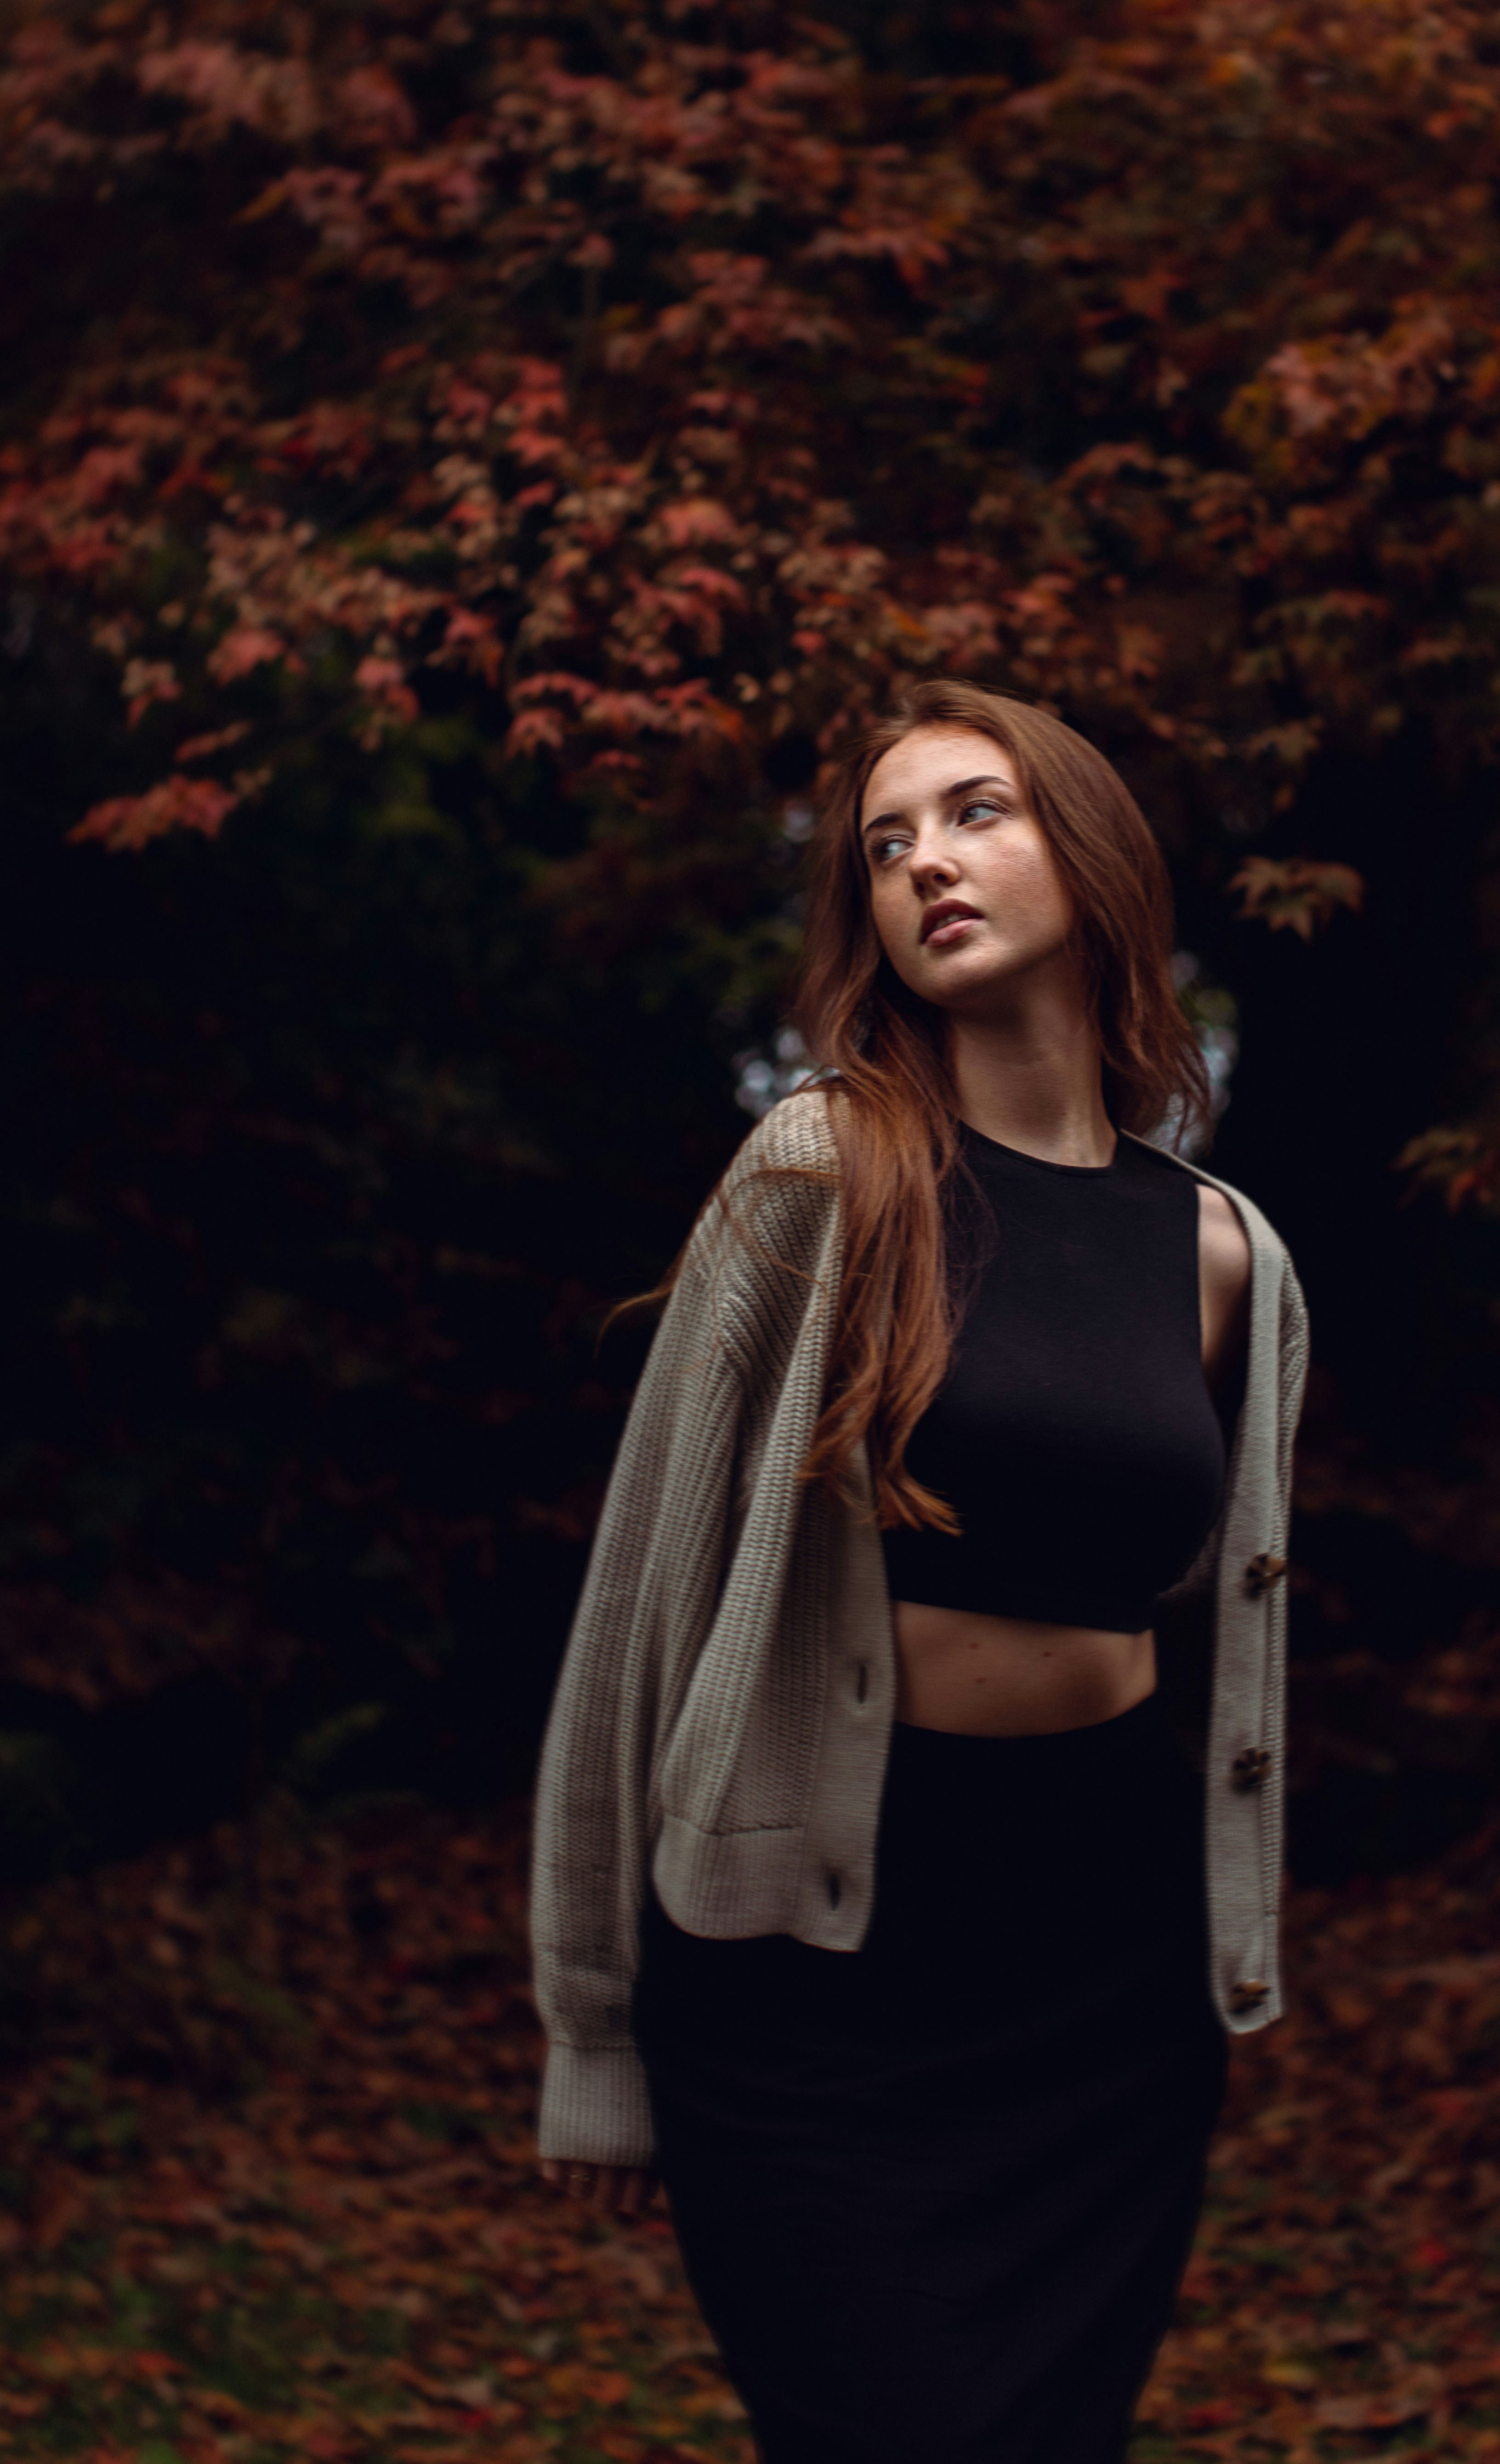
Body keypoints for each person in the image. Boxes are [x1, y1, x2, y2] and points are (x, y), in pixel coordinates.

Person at [530, 678, 1308, 2464]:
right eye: (887, 844)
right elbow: (639, 1611)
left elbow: (1222, 1650)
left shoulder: (1227, 1256)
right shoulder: (825, 1173)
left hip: (1104, 1992)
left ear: (1093, 855)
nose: (924, 864)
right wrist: (590, 2023)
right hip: (821, 1977)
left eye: (976, 813)